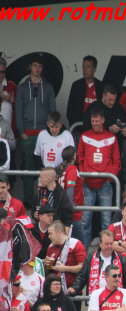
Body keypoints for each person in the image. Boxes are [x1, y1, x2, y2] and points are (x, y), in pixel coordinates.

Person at [16, 54, 56, 202]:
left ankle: (43, 202)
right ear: (30, 67)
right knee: (28, 169)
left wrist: (49, 131)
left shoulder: (48, 87)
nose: (37, 69)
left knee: (44, 169)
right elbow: (18, 111)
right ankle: (28, 201)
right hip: (27, 134)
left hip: (43, 134)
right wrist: (21, 131)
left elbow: (53, 111)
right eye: (34, 65)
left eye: (40, 66)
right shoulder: (22, 88)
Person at [77, 108, 121, 245]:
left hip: (105, 185)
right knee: (85, 220)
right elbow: (80, 158)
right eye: (93, 121)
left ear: (103, 120)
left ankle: (106, 250)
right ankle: (83, 252)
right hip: (87, 184)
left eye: (97, 121)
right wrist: (84, 176)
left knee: (106, 222)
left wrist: (108, 177)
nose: (95, 123)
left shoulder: (112, 138)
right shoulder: (84, 136)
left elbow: (116, 162)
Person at [69, 229, 126, 297]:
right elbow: (82, 276)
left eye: (111, 243)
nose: (109, 246)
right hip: (96, 299)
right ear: (100, 244)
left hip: (116, 299)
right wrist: (75, 288)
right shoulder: (90, 258)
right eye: (106, 244)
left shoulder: (121, 258)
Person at [45, 220, 87, 293]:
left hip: (71, 289)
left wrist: (64, 268)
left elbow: (82, 268)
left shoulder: (76, 244)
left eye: (50, 233)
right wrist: (47, 265)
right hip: (55, 290)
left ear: (59, 232)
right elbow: (49, 269)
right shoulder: (50, 247)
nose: (49, 237)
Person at [67, 55, 103, 126]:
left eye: (88, 67)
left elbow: (104, 108)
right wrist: (74, 123)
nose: (84, 70)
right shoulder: (76, 85)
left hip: (96, 126)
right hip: (79, 125)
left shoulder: (101, 86)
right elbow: (70, 109)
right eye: (83, 67)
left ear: (94, 69)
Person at [57, 146, 84, 239]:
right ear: (74, 156)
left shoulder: (61, 169)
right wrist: (70, 207)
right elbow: (70, 188)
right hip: (72, 213)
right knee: (79, 242)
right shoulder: (72, 169)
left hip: (62, 209)